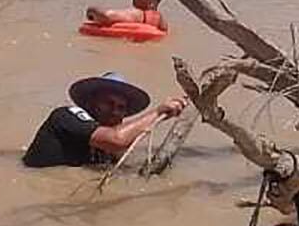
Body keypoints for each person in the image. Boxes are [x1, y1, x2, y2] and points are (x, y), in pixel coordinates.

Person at [21, 72, 188, 168]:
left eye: (121, 108)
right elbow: (116, 139)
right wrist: (158, 112)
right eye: (108, 103)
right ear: (90, 102)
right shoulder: (66, 116)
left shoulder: (105, 150)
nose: (115, 111)